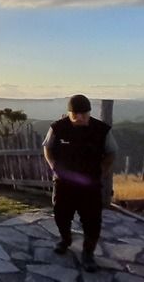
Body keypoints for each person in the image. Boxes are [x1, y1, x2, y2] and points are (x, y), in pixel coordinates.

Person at [42, 95, 117, 272]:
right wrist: (53, 166)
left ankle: (88, 254)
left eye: (84, 113)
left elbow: (112, 152)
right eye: (76, 114)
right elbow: (47, 147)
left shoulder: (102, 130)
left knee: (92, 220)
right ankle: (65, 240)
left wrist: (102, 171)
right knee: (61, 214)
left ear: (89, 112)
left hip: (90, 185)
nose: (80, 117)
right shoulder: (57, 128)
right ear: (69, 113)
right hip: (64, 183)